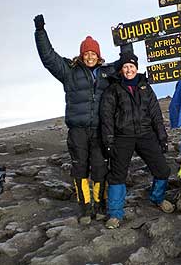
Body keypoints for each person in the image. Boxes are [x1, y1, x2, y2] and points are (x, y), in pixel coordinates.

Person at [34, 14, 121, 225]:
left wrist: (125, 41)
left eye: (93, 53)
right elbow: (49, 58)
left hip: (100, 130)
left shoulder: (108, 72)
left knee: (100, 169)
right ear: (82, 55)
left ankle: (99, 206)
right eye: (86, 53)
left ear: (98, 55)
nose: (90, 56)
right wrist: (40, 32)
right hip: (77, 131)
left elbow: (126, 63)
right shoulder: (69, 71)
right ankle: (84, 208)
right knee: (80, 169)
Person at [100, 53, 174, 229]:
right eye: (125, 67)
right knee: (117, 175)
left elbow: (156, 114)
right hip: (122, 137)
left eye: (131, 66)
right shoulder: (113, 89)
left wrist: (162, 137)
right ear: (121, 69)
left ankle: (157, 198)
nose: (129, 69)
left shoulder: (145, 87)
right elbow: (107, 118)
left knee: (162, 169)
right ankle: (115, 214)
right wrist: (109, 141)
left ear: (136, 68)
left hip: (146, 134)